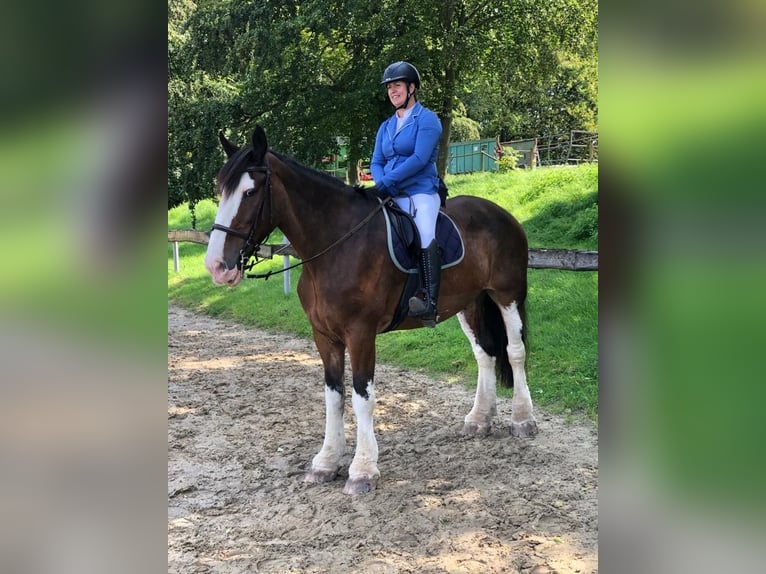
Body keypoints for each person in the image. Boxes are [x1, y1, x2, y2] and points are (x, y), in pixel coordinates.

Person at [370, 61, 443, 326]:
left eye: (397, 86)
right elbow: (376, 161)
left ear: (412, 88)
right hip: (389, 191)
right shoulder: (386, 126)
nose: (393, 91)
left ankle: (429, 302)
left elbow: (420, 159)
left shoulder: (428, 120)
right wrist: (382, 183)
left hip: (420, 193)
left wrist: (387, 181)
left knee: (424, 231)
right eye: (389, 88)